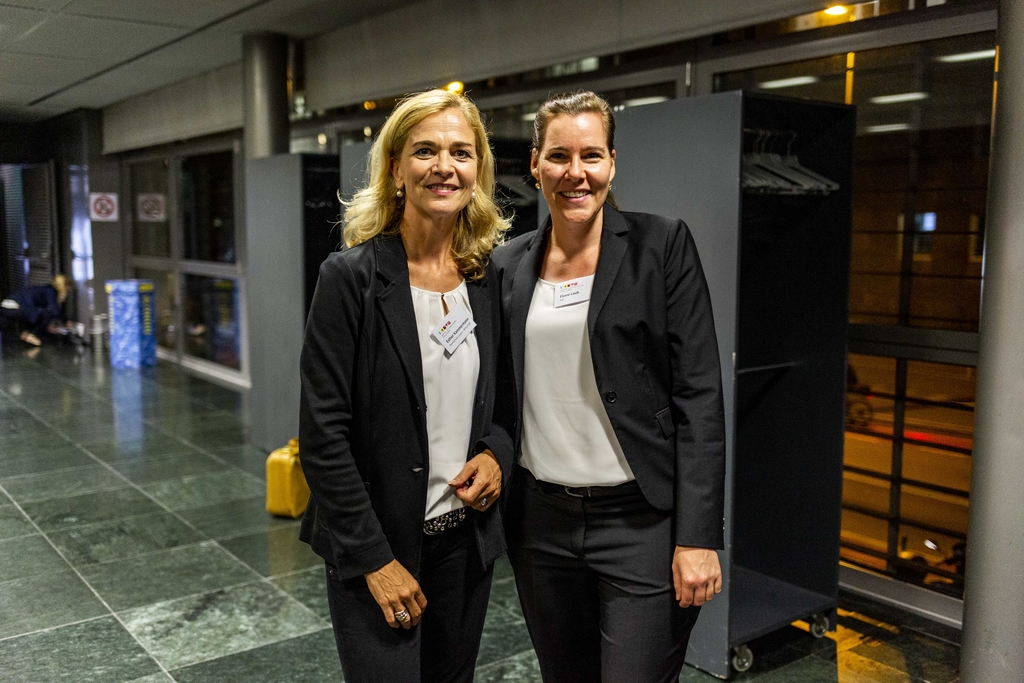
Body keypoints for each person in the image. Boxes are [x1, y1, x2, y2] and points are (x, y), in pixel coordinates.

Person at [493, 91, 727, 683]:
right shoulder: (508, 265)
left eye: (591, 156)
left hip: (640, 524)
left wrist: (697, 537)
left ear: (613, 163)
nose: (577, 173)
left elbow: (699, 394)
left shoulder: (661, 246)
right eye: (560, 156)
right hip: (541, 524)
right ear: (536, 165)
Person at [298, 88, 514, 683]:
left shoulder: (486, 279)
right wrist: (374, 561)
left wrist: (497, 455)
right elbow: (322, 438)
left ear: (478, 170)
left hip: (463, 548)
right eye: (425, 151)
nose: (444, 166)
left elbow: (505, 406)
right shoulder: (349, 280)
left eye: (461, 153)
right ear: (396, 169)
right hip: (379, 546)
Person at [0, 274, 71, 346]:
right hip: (15, 306)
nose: (66, 294)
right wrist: (66, 321)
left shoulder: (44, 290)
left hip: (7, 305)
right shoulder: (50, 291)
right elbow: (54, 309)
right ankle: (31, 335)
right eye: (67, 291)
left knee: (38, 314)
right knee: (47, 313)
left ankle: (27, 334)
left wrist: (48, 326)